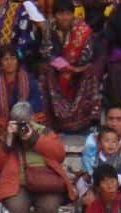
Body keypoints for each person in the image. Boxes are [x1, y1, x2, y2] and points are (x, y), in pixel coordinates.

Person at [39, 0, 102, 133]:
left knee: (90, 73)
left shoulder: (83, 30)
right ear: (55, 15)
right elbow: (46, 52)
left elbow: (87, 54)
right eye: (60, 14)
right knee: (46, 71)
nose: (64, 18)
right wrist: (63, 66)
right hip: (57, 70)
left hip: (78, 69)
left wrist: (73, 68)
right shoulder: (48, 28)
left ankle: (86, 121)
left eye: (67, 14)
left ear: (73, 15)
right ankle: (53, 120)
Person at [0, 51, 44, 134]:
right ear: (0, 63)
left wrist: (20, 112)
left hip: (25, 119)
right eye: (5, 59)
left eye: (13, 59)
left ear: (17, 61)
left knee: (41, 117)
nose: (9, 62)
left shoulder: (29, 80)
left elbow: (37, 102)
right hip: (3, 122)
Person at [83, 108, 121, 181]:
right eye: (110, 119)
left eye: (119, 119)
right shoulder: (94, 140)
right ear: (105, 122)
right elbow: (87, 167)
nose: (114, 124)